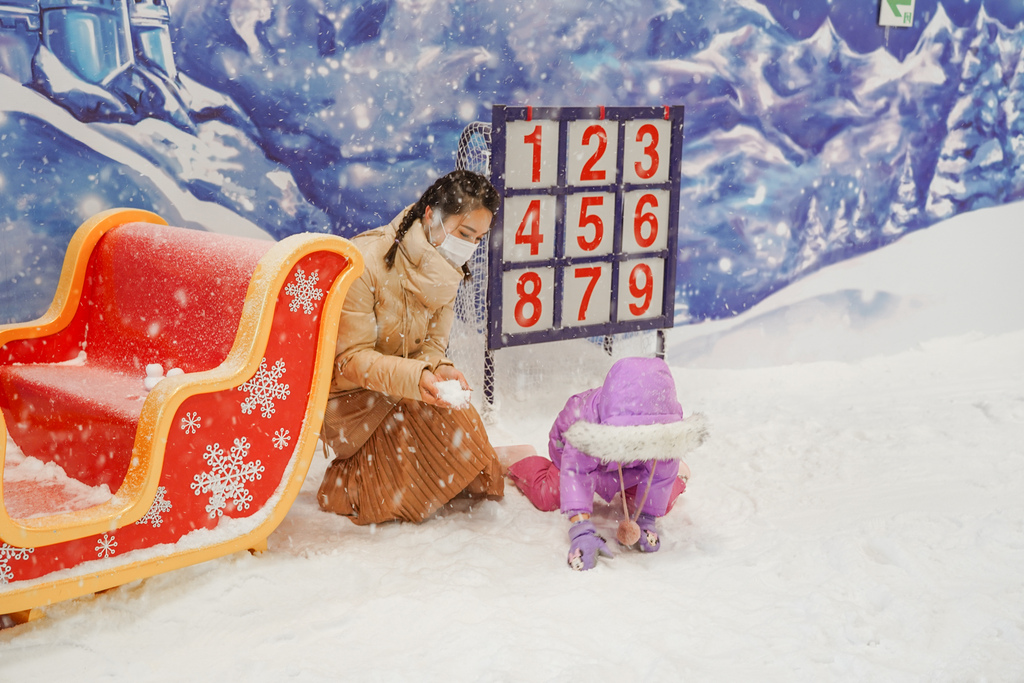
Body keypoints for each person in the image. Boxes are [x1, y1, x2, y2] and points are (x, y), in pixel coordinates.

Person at [316, 170, 504, 525]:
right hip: (351, 399)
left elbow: (431, 346)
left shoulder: (448, 268)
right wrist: (417, 377)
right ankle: (345, 485)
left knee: (473, 458)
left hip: (401, 388)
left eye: (479, 238)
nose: (470, 246)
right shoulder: (365, 261)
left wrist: (439, 369)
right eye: (465, 234)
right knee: (408, 483)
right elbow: (350, 361)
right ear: (431, 215)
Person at [507, 357, 708, 570]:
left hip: (631, 466)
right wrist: (581, 528)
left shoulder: (665, 430)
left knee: (661, 499)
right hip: (575, 457)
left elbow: (661, 473)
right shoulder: (586, 422)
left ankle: (677, 473)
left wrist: (646, 519)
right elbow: (576, 472)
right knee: (549, 494)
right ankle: (522, 457)